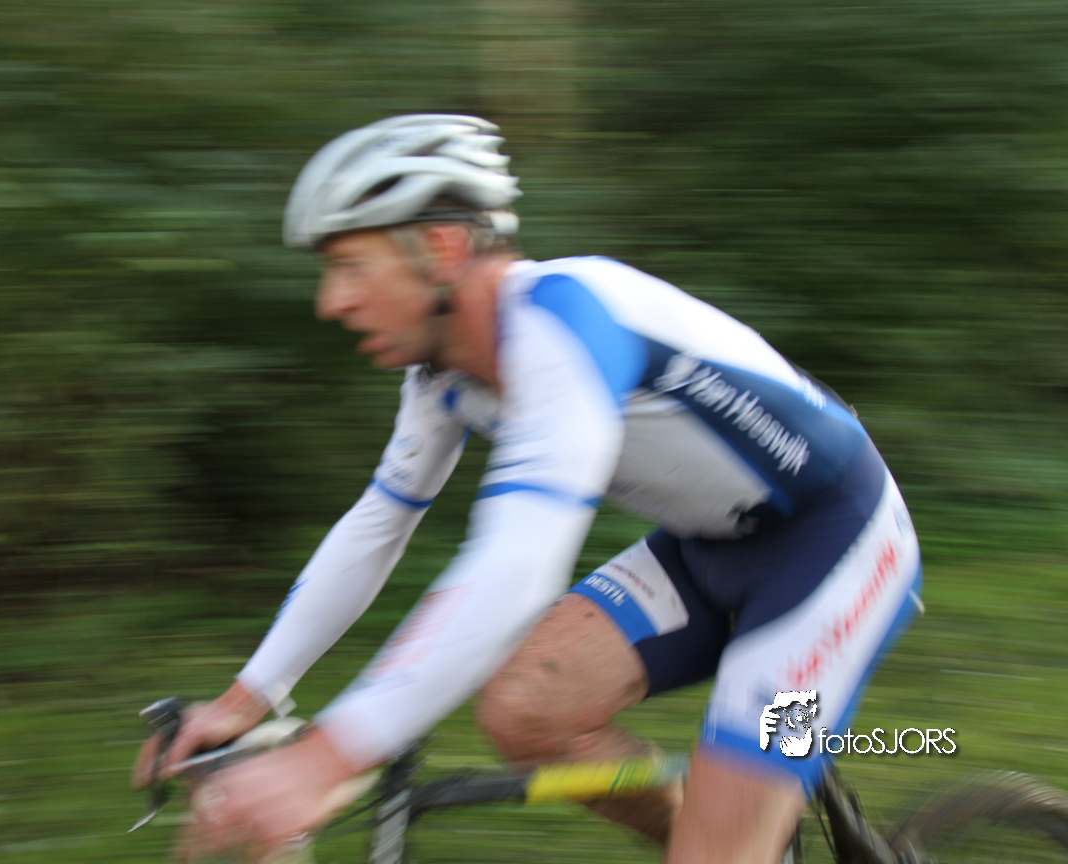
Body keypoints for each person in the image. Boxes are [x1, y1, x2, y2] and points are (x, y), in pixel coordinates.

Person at [133, 114, 924, 864]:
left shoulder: (568, 322)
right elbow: (376, 526)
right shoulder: (442, 377)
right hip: (705, 549)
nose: (330, 301)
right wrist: (247, 698)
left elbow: (517, 565)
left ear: (441, 246)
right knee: (525, 715)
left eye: (350, 266)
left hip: (841, 552)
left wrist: (326, 758)